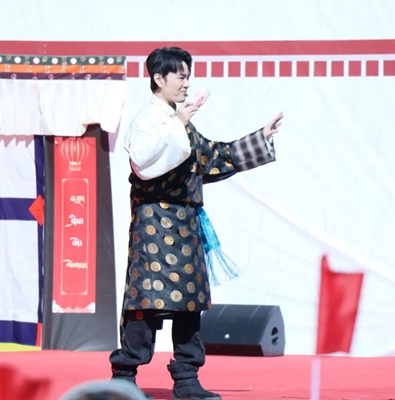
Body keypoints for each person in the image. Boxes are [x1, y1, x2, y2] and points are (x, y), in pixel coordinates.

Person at [109, 46, 283, 400]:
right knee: (146, 303)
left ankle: (187, 379)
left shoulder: (179, 121)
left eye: (188, 76)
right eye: (181, 76)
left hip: (186, 225)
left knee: (190, 304)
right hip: (153, 223)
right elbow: (143, 164)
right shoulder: (148, 120)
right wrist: (178, 125)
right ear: (159, 79)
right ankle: (124, 376)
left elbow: (210, 157)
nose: (187, 83)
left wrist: (260, 138)